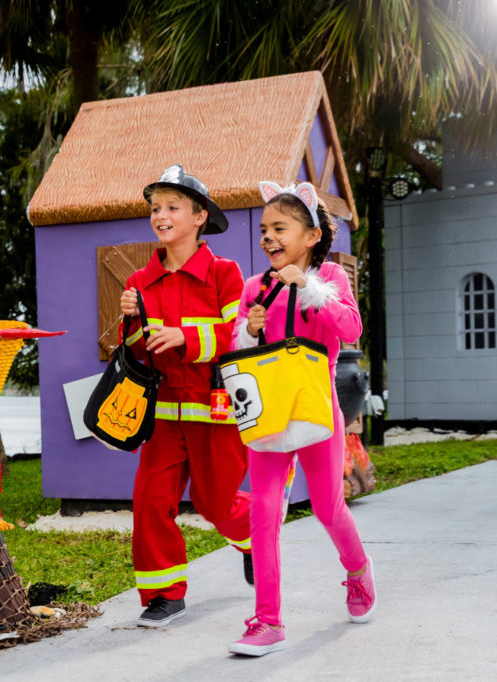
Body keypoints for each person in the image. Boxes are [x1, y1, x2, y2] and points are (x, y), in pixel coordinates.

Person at [227, 181, 375, 657]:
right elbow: (237, 355)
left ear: (310, 235)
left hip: (316, 405)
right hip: (269, 410)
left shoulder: (330, 274)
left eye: (280, 228)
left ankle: (358, 571)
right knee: (264, 514)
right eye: (264, 230)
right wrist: (246, 334)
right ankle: (267, 621)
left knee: (328, 507)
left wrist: (306, 286)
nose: (268, 237)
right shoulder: (254, 287)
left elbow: (350, 328)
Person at [119, 165, 252, 628]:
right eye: (156, 207)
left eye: (173, 207)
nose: (161, 215)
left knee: (217, 504)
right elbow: (136, 351)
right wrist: (132, 323)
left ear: (199, 217)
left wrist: (186, 337)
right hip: (163, 416)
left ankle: (254, 537)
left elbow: (239, 336)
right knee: (150, 501)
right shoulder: (139, 281)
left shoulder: (225, 274)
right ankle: (163, 594)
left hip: (216, 413)